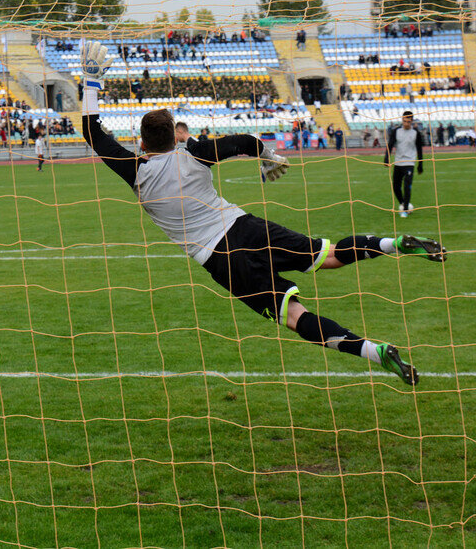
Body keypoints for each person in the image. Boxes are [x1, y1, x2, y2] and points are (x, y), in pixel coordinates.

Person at [79, 42, 446, 386]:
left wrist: (92, 82)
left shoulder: (136, 172)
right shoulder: (194, 153)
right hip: (246, 226)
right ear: (173, 137)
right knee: (330, 255)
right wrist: (268, 158)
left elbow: (92, 133)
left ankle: (374, 351)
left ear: (141, 143)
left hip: (220, 258)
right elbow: (243, 142)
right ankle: (395, 242)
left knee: (295, 316)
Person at [384, 111, 424, 218]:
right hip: (398, 163)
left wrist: (420, 164)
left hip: (409, 163)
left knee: (407, 186)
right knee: (396, 186)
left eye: (408, 122)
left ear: (411, 121)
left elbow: (420, 150)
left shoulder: (416, 133)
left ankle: (405, 210)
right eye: (404, 121)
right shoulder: (396, 131)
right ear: (402, 120)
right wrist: (386, 158)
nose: (406, 123)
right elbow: (390, 144)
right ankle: (403, 203)